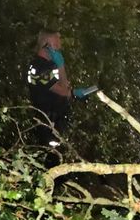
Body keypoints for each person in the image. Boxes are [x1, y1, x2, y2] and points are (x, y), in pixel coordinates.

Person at [26, 29, 97, 164]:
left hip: (57, 120)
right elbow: (63, 90)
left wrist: (74, 92)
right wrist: (61, 66)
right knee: (52, 161)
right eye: (56, 40)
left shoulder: (50, 65)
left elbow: (64, 87)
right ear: (47, 43)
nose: (60, 44)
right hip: (47, 123)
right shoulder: (39, 66)